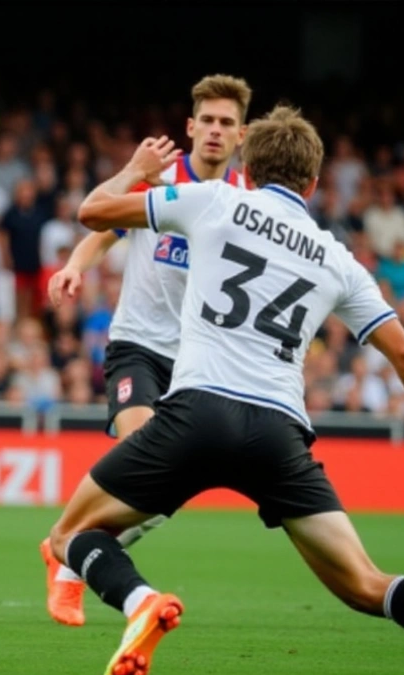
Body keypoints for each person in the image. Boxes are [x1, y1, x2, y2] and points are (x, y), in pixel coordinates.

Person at [48, 108, 404, 675]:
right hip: (278, 433)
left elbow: (93, 212)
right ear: (313, 185)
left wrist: (133, 171)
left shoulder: (214, 200)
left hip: (198, 414)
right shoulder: (337, 258)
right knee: (367, 584)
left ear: (248, 165)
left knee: (70, 536)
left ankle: (140, 602)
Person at [39, 74, 253, 627]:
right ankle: (72, 553)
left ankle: (66, 557)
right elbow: (102, 227)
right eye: (206, 119)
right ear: (190, 126)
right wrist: (73, 267)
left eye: (226, 122)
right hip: (138, 344)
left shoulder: (246, 198)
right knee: (144, 451)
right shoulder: (163, 182)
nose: (214, 130)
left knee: (165, 484)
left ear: (241, 135)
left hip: (199, 364)